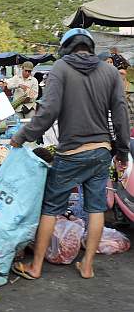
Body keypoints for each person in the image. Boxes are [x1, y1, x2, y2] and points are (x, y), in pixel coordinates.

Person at [10, 28, 129, 280]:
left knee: (51, 208)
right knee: (96, 209)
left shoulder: (60, 69)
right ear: (90, 47)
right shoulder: (109, 72)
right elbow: (120, 116)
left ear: (66, 47)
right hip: (101, 153)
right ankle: (87, 266)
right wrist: (123, 152)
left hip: (72, 153)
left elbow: (48, 111)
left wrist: (22, 136)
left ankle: (36, 266)